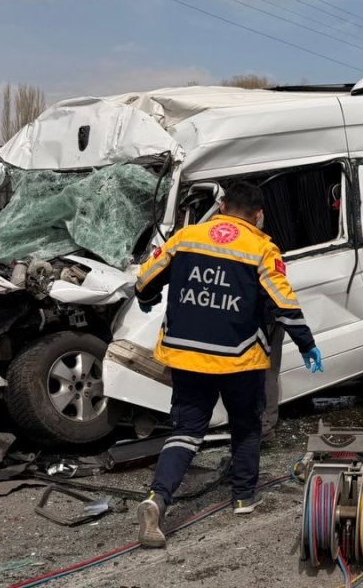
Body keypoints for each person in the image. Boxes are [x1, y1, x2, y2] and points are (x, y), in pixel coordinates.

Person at [132, 181, 323, 548]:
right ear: (259, 216)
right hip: (240, 358)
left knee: (186, 431)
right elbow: (283, 302)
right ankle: (243, 497)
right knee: (246, 425)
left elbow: (144, 279)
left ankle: (157, 499)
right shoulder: (261, 248)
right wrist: (306, 343)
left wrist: (147, 297)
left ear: (221, 207)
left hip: (186, 354)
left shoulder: (186, 237)